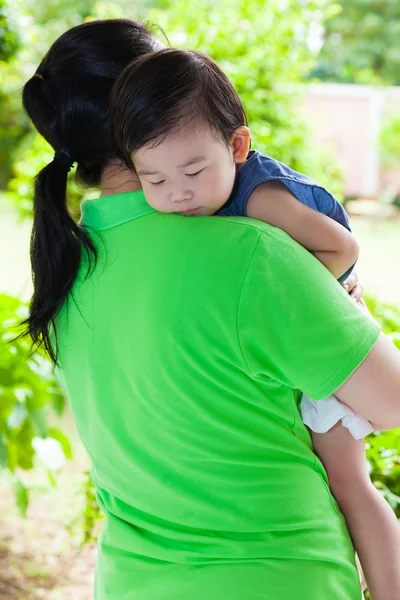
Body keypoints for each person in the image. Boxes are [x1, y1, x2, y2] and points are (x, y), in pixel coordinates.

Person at [21, 20, 400, 600]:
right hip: (279, 578)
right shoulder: (251, 254)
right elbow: (391, 402)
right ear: (137, 112)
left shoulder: (64, 274)